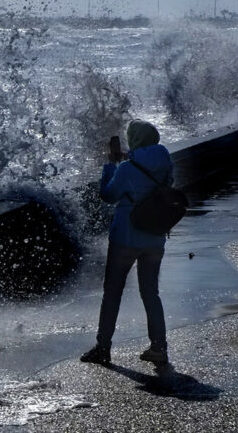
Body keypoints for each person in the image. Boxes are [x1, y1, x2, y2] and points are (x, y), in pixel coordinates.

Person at [80, 119, 173, 364]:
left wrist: (111, 166)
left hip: (125, 239)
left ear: (135, 140)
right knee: (151, 293)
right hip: (155, 237)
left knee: (112, 294)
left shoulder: (126, 169)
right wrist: (128, 159)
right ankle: (159, 348)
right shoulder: (165, 161)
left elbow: (108, 195)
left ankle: (103, 348)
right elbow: (163, 184)